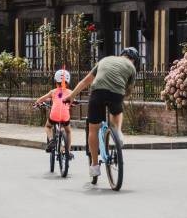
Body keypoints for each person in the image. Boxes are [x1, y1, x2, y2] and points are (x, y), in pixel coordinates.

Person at [69, 47, 140, 180]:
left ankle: (95, 166)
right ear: (134, 60)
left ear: (121, 55)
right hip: (116, 93)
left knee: (93, 129)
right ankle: (118, 132)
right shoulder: (131, 67)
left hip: (98, 92)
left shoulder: (104, 60)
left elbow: (85, 81)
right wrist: (120, 97)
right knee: (117, 111)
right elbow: (128, 90)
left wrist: (72, 95)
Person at [35, 69, 74, 160]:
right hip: (65, 115)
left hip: (54, 114)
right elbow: (72, 102)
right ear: (67, 82)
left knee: (48, 126)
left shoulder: (53, 92)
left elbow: (41, 99)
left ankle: (52, 140)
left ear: (56, 81)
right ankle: (67, 151)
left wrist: (36, 103)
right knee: (68, 131)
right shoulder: (70, 92)